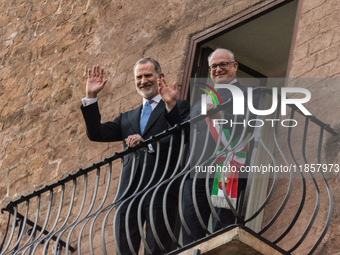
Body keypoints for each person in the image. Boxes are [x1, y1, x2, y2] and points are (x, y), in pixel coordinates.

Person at [81, 58, 190, 254]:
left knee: (158, 247)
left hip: (162, 188)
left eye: (148, 75)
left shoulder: (176, 106)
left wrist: (149, 142)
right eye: (138, 77)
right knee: (125, 248)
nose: (143, 81)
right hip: (129, 192)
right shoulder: (127, 118)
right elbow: (96, 133)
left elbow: (183, 137)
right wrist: (90, 96)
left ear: (160, 77)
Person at [161, 48, 260, 245]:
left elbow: (250, 122)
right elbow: (185, 134)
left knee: (221, 227)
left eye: (223, 64)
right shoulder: (201, 102)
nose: (218, 69)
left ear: (235, 66)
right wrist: (171, 106)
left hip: (228, 167)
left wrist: (221, 117)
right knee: (191, 227)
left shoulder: (249, 93)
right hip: (197, 171)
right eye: (214, 66)